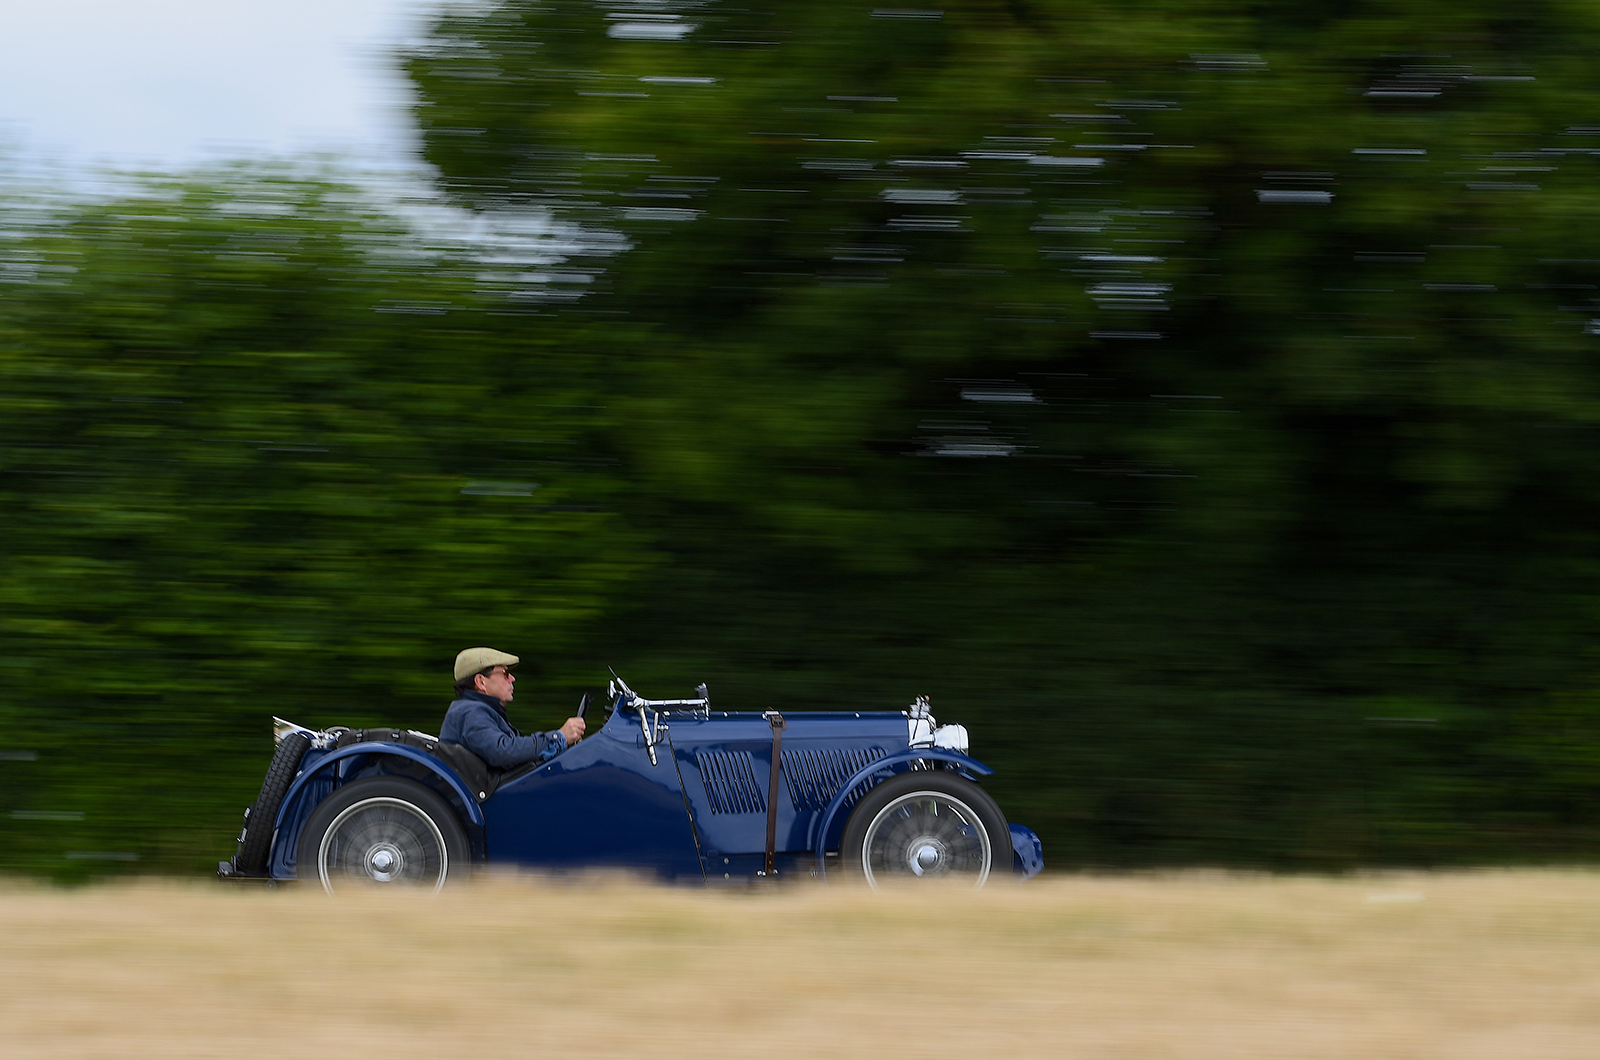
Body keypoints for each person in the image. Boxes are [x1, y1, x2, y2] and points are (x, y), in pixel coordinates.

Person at [440, 647, 586, 769]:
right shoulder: (470, 712)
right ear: (481, 682)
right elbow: (502, 752)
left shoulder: (479, 711)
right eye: (505, 673)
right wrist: (558, 737)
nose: (512, 678)